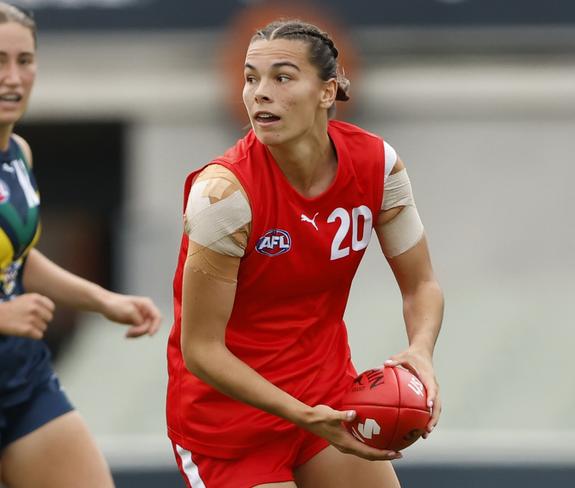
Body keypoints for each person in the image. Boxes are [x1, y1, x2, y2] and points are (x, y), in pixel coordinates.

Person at [167, 19, 444, 488]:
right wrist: (303, 415)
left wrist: (421, 352)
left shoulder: (377, 165)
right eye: (251, 78)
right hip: (229, 427)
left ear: (327, 91)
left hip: (327, 402)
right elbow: (201, 350)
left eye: (282, 77)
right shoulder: (223, 194)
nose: (260, 93)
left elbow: (421, 285)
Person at [0, 4, 162, 487]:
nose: (13, 77)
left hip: (20, 381)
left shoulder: (19, 153)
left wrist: (104, 300)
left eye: (24, 61)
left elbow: (17, 260)